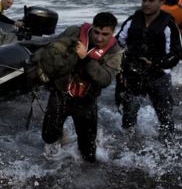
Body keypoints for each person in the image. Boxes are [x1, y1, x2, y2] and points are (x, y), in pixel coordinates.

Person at [41, 12, 123, 162]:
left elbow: (105, 80)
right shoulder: (74, 32)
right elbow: (52, 48)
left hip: (86, 101)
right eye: (96, 32)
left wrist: (86, 58)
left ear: (113, 33)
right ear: (92, 27)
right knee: (48, 136)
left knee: (87, 152)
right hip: (61, 93)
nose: (99, 38)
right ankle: (62, 136)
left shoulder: (115, 51)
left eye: (105, 34)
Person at [116, 0, 182, 141]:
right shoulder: (132, 21)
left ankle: (168, 149)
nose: (146, 4)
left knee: (165, 118)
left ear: (161, 3)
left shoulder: (169, 25)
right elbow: (117, 43)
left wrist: (155, 63)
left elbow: (175, 55)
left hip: (159, 76)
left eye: (151, 0)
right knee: (128, 118)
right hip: (133, 75)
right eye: (144, 0)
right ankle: (129, 147)